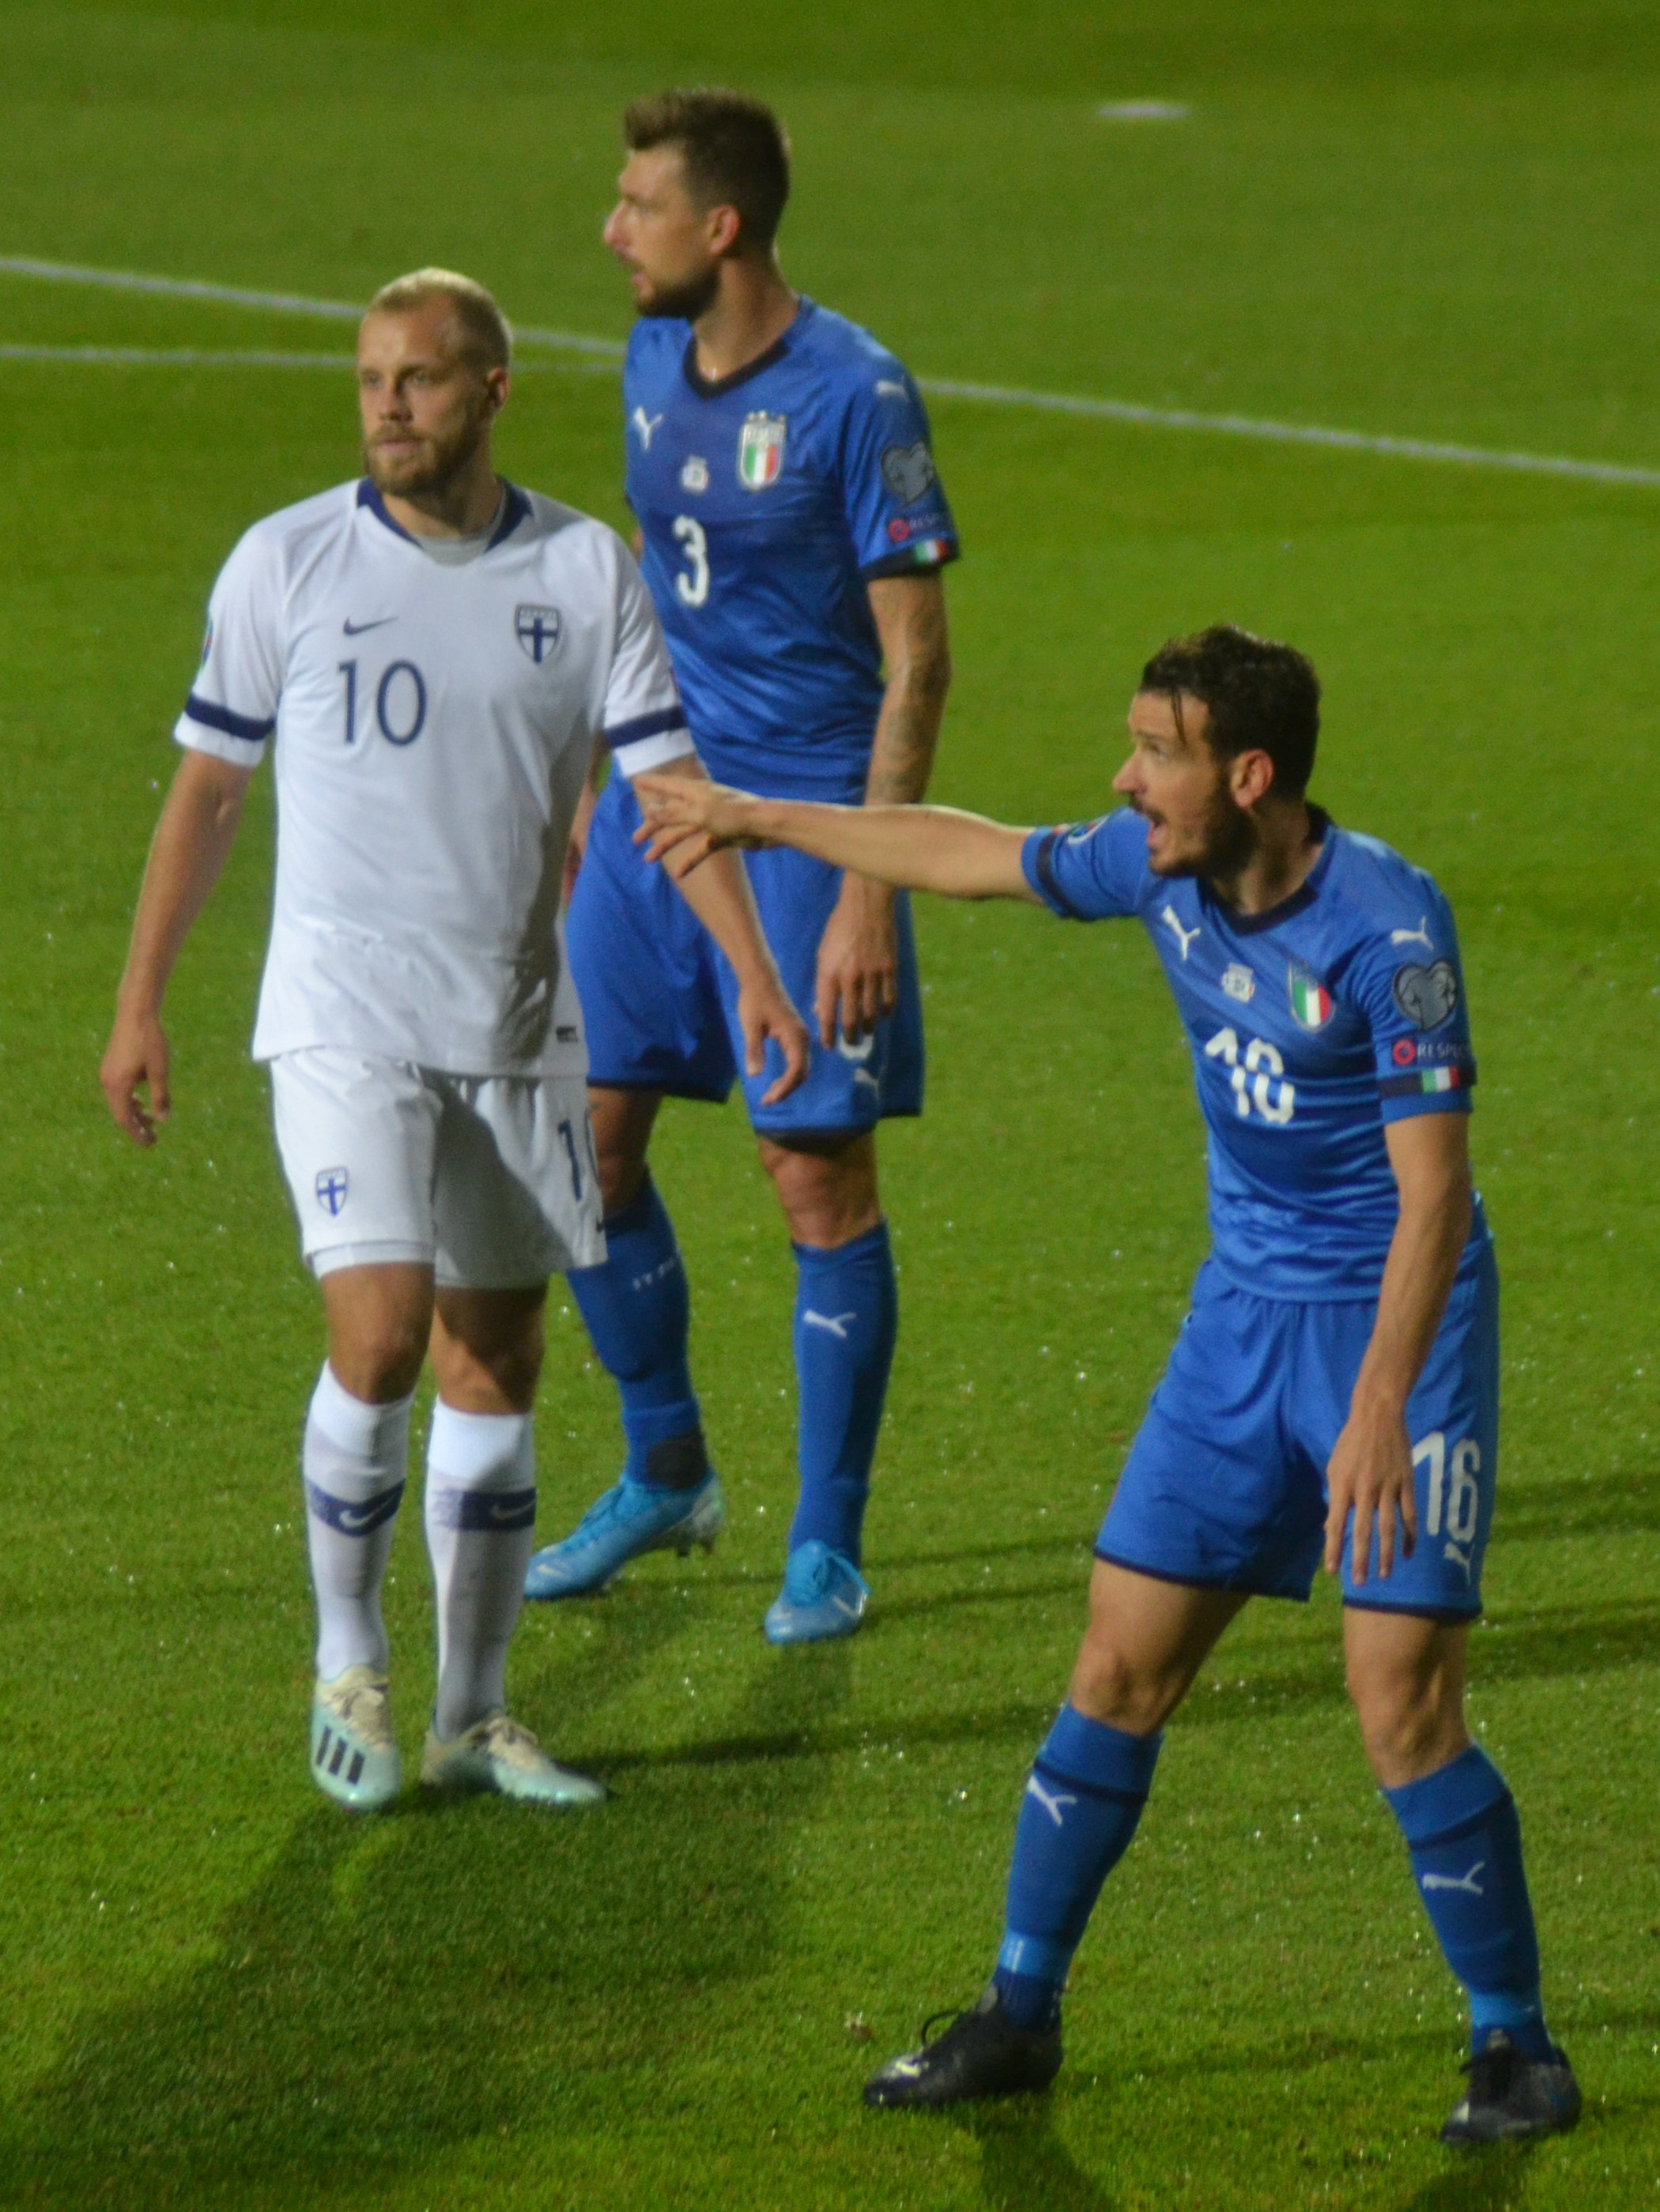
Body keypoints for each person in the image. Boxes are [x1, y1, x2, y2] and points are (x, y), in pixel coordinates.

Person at [634, 624, 1581, 2143]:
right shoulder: (1158, 869)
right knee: (1118, 1664)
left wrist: (1381, 1409)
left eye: (1156, 752)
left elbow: (1434, 1197)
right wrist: (757, 818)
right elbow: (972, 855)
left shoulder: (1388, 935)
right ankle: (1018, 2016)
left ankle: (1515, 2047)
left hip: (1393, 1333)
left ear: (1248, 775)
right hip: (1239, 1325)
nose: (1126, 781)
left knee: (1400, 1702)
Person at [100, 268, 807, 1813]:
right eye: (370, 380)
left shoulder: (585, 570)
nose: (387, 407)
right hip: (342, 1015)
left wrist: (754, 975)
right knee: (381, 1335)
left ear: (492, 391)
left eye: (416, 380)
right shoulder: (286, 560)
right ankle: (348, 1664)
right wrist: (141, 997)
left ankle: (472, 1717)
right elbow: (209, 790)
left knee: (500, 1358)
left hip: (512, 1018)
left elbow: (668, 795)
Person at [523, 89, 956, 1642]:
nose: (610, 232)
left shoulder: (857, 395)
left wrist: (868, 891)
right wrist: (600, 770)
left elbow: (918, 663)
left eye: (637, 206)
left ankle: (826, 1543)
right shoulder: (651, 358)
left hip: (807, 825)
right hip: (660, 813)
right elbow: (646, 577)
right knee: (581, 1143)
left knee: (812, 1171)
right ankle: (667, 1468)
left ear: (721, 227)